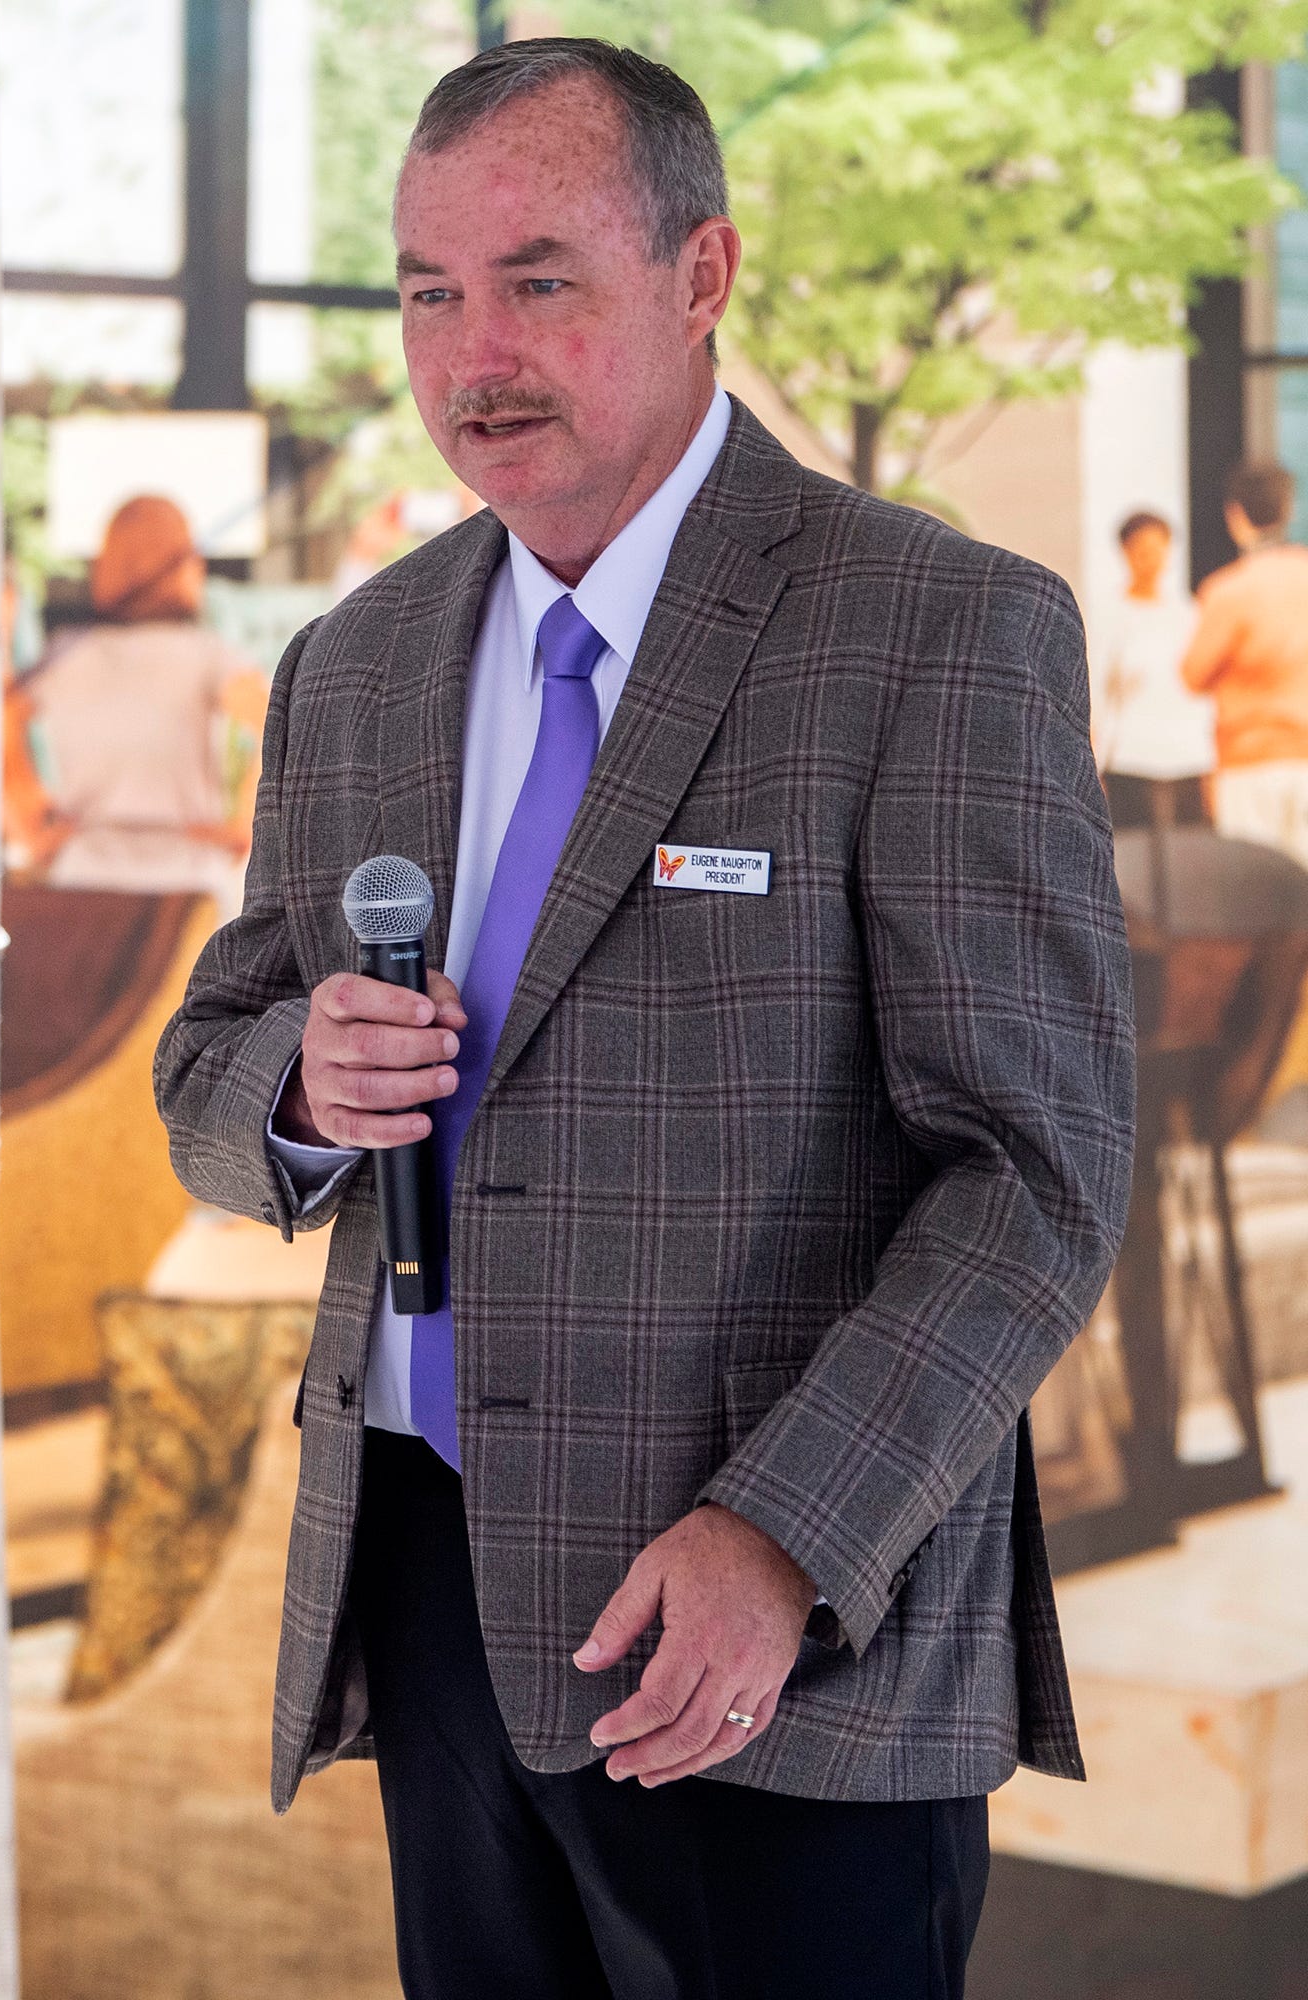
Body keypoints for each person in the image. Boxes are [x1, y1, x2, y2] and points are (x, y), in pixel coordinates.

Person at [154, 40, 1128, 2000]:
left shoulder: (936, 631)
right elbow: (207, 1070)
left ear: (703, 275)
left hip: (776, 1633)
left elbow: (1034, 1176)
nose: (475, 354)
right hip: (428, 1587)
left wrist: (782, 1536)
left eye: (539, 280)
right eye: (430, 293)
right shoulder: (356, 664)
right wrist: (304, 1089)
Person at [19, 493, 265, 906]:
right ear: (181, 566)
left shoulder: (66, 654)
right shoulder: (206, 653)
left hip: (82, 873)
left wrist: (31, 827)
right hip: (187, 877)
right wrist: (246, 826)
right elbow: (277, 722)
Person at [1182, 463, 1308, 862]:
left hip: (1250, 761)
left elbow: (1192, 675)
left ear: (1235, 515)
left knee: (1254, 889)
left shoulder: (1228, 591)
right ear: (1288, 510)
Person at [1089, 508, 1211, 812]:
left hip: (1187, 756)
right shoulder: (1107, 614)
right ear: (1126, 552)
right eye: (1143, 551)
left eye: (1159, 550)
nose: (1152, 561)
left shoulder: (1188, 613)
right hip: (1130, 757)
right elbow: (1094, 689)